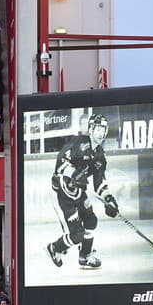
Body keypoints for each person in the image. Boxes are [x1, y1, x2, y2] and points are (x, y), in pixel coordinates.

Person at [45, 114, 119, 269]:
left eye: (103, 129)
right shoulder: (78, 142)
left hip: (78, 191)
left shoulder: (100, 155)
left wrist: (108, 198)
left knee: (91, 220)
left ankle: (85, 256)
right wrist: (73, 174)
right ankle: (54, 248)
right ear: (91, 129)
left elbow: (99, 182)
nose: (101, 133)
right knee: (77, 234)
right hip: (62, 193)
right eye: (98, 129)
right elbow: (60, 161)